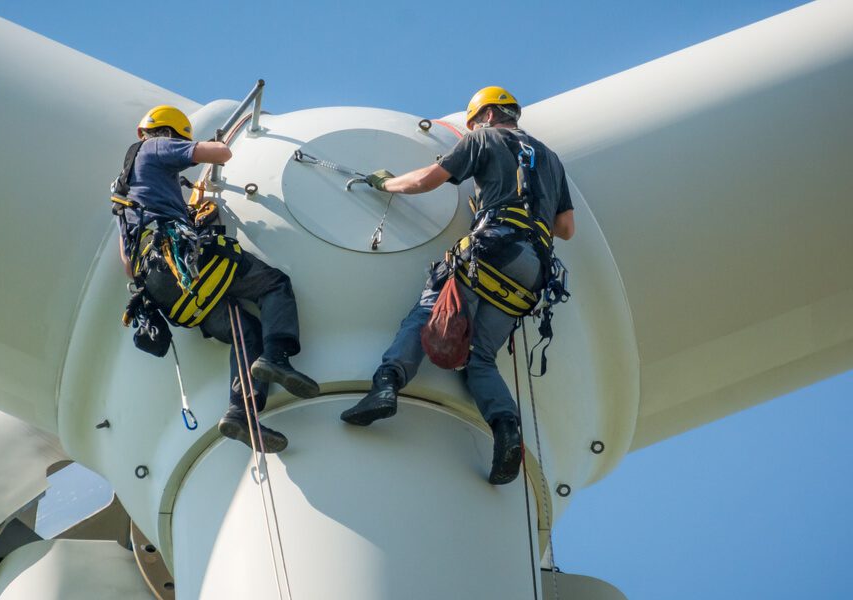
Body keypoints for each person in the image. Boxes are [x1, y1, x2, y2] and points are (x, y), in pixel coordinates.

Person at [339, 87, 575, 484]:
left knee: (427, 314)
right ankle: (506, 430)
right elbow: (566, 228)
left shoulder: (483, 139)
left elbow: (429, 181)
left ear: (484, 116)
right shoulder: (550, 160)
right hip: (533, 271)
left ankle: (386, 386)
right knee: (480, 358)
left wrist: (386, 185)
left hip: (491, 247)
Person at [113, 105, 320, 453]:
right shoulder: (156, 147)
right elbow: (219, 152)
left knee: (244, 329)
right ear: (169, 133)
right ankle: (277, 357)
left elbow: (128, 266)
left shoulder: (123, 193)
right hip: (185, 260)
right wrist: (208, 146)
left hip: (163, 286)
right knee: (273, 284)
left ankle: (241, 413)